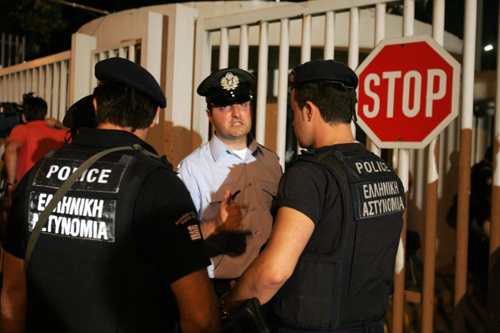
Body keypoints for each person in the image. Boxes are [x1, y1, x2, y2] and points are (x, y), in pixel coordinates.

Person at [1, 57, 220, 333]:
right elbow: (200, 318)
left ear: (95, 107)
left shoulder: (37, 173)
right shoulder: (158, 184)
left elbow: (11, 292)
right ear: (154, 116)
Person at [223, 59, 406, 333]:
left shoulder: (310, 174)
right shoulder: (385, 173)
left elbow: (274, 272)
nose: (295, 121)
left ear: (309, 110)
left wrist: (228, 306)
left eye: (294, 111)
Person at [177, 68, 282, 294]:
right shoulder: (193, 168)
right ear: (209, 114)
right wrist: (216, 226)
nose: (237, 113)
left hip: (270, 286)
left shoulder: (271, 160)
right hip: (221, 290)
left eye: (243, 103)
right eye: (225, 106)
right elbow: (180, 240)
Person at [4, 94, 67, 196]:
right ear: (45, 116)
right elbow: (80, 135)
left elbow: (11, 149)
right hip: (53, 191)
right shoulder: (58, 133)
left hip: (27, 191)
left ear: (24, 117)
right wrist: (58, 124)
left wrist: (11, 184)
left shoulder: (22, 130)